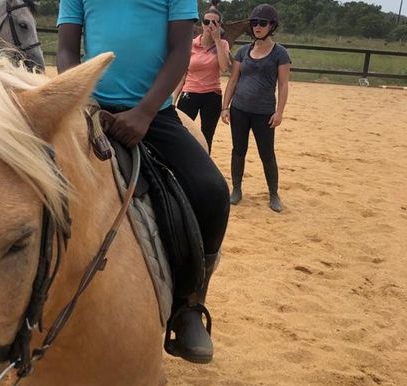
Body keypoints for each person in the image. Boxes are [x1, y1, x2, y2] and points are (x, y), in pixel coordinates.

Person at [57, 1, 230, 364]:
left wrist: (145, 112)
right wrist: (82, 101)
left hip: (153, 112)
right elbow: (67, 48)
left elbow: (180, 50)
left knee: (212, 192)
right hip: (88, 106)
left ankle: (189, 306)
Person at [221, 4, 290, 212]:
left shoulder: (280, 53)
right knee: (238, 150)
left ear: (272, 26)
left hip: (264, 112)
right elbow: (233, 80)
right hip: (239, 109)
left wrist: (279, 112)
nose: (257, 27)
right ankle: (237, 189)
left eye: (262, 23)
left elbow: (284, 84)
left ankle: (273, 193)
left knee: (267, 153)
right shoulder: (243, 51)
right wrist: (225, 107)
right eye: (254, 23)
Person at [173, 7, 230, 153]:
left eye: (214, 22)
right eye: (206, 21)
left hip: (212, 95)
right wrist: (174, 99)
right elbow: (182, 74)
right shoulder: (191, 44)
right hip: (189, 93)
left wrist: (217, 40)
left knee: (207, 136)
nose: (210, 25)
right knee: (182, 133)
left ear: (220, 25)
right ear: (202, 24)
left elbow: (224, 68)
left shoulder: (223, 44)